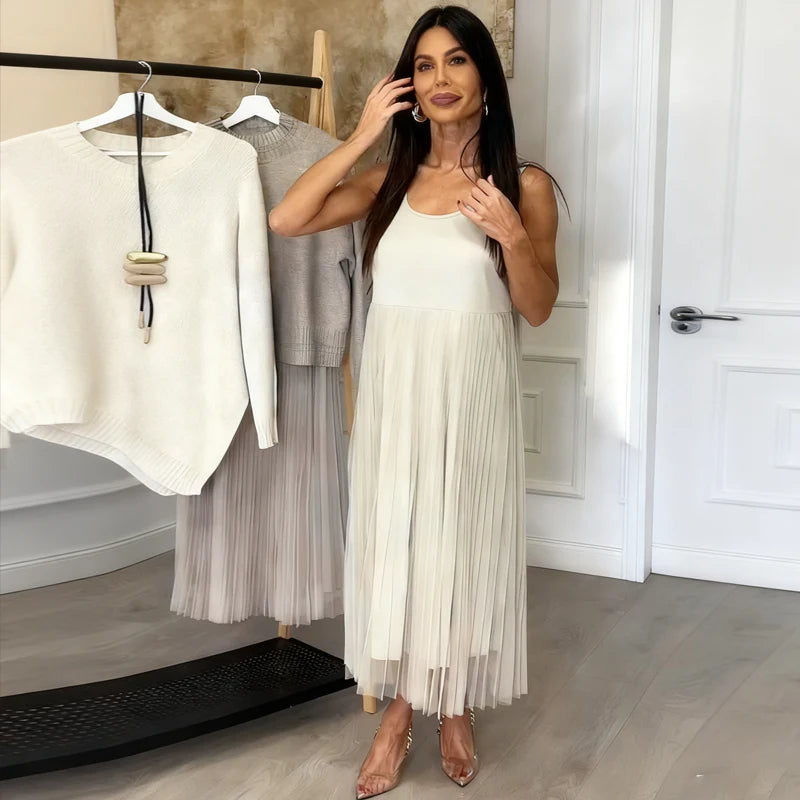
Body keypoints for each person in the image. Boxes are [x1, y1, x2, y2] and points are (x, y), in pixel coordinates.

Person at [269, 6, 561, 797]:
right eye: (424, 65)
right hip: (395, 399)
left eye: (457, 60)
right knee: (398, 547)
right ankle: (400, 709)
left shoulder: (525, 186)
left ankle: (453, 703)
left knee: (458, 544)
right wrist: (363, 135)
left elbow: (537, 308)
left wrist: (512, 235)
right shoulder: (386, 184)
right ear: (408, 85)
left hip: (472, 396)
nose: (440, 78)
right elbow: (287, 218)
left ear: (485, 79)